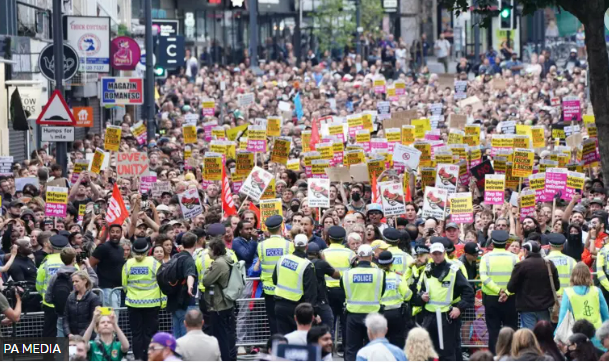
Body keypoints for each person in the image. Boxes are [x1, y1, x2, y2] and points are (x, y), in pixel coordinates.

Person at [411, 242, 474, 360]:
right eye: (434, 253)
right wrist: (421, 297)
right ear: (430, 255)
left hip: (446, 317)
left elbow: (468, 292)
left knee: (448, 352)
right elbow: (417, 291)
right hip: (429, 317)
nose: (437, 256)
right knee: (428, 351)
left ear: (444, 253)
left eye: (439, 253)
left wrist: (459, 308)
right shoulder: (426, 270)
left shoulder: (453, 270)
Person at [341, 244, 386, 361]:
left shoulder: (347, 274)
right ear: (371, 257)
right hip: (373, 316)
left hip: (353, 314)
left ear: (357, 257)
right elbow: (382, 291)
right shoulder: (380, 273)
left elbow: (343, 290)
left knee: (351, 349)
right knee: (373, 348)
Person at [122, 237, 162, 361]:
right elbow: (161, 282)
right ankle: (149, 357)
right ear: (148, 250)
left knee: (136, 333)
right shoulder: (155, 263)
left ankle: (138, 357)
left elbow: (124, 284)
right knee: (150, 333)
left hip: (133, 304)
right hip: (152, 303)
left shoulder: (128, 263)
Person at [479, 230, 518, 354]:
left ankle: (495, 356)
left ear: (493, 243)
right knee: (511, 329)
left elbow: (484, 278)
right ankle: (511, 356)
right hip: (510, 298)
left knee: (493, 330)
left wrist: (498, 291)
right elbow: (517, 278)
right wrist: (505, 292)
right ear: (507, 243)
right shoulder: (514, 257)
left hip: (491, 298)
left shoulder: (486, 258)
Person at [507, 240, 559, 329]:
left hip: (527, 307)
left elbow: (511, 288)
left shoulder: (521, 265)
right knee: (543, 335)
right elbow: (556, 286)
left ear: (526, 251)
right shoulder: (549, 264)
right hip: (545, 307)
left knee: (529, 336)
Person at [273, 233, 317, 335]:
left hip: (279, 304)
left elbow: (275, 279)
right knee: (298, 338)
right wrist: (312, 312)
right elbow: (310, 292)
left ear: (293, 245)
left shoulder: (282, 259)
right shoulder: (307, 265)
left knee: (283, 338)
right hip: (297, 307)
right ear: (307, 246)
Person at [257, 214, 294, 335]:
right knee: (286, 323)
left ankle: (275, 347)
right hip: (285, 290)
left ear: (267, 229)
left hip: (268, 290)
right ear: (281, 227)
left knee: (273, 322)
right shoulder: (289, 245)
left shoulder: (261, 245)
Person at [202, 237, 237, 361]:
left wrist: (207, 271)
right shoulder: (226, 259)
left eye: (210, 249)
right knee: (226, 335)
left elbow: (206, 281)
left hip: (218, 304)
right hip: (226, 303)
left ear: (215, 250)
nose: (207, 252)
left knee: (221, 337)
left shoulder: (218, 264)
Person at [36, 234, 74, 337]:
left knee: (49, 333)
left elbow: (39, 283)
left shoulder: (46, 262)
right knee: (70, 331)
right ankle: (70, 353)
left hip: (50, 304)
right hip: (69, 303)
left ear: (50, 246)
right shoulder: (72, 262)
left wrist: (45, 295)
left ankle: (48, 353)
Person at [322, 225, 355, 338]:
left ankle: (327, 350)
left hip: (327, 292)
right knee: (345, 324)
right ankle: (346, 351)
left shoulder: (323, 253)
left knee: (328, 323)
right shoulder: (350, 254)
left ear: (329, 238)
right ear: (343, 239)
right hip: (344, 292)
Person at [89, 224, 126, 319]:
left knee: (114, 317)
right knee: (109, 318)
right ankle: (108, 334)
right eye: (112, 232)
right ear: (109, 233)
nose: (115, 234)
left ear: (121, 234)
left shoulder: (121, 249)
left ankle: (112, 334)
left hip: (118, 289)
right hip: (106, 290)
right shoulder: (103, 247)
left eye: (117, 232)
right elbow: (90, 264)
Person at [559, 262, 609, 331]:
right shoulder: (597, 291)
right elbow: (606, 315)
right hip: (597, 333)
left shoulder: (568, 292)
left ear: (573, 276)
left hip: (577, 333)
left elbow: (562, 317)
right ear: (589, 275)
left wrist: (557, 332)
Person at [377, 250, 412, 349]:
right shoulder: (398, 277)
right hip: (396, 314)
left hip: (379, 313)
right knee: (397, 342)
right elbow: (407, 295)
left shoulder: (375, 277)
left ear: (378, 263)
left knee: (380, 343)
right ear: (391, 263)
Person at [167, 232, 198, 339]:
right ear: (195, 243)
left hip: (174, 301)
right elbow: (190, 274)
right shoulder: (189, 259)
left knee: (177, 334)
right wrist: (190, 286)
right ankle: (183, 355)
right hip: (185, 301)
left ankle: (176, 355)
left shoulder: (175, 256)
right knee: (186, 335)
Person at [305, 242, 338, 333]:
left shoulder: (303, 262)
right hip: (321, 302)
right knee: (327, 330)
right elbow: (337, 275)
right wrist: (324, 260)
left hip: (306, 302)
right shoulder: (321, 263)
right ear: (318, 253)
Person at [63, 270, 101, 338]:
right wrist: (68, 334)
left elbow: (93, 320)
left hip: (88, 338)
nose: (74, 284)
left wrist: (81, 336)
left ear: (85, 281)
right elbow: (65, 317)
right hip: (71, 337)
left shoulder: (94, 298)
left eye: (77, 281)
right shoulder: (70, 297)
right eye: (73, 282)